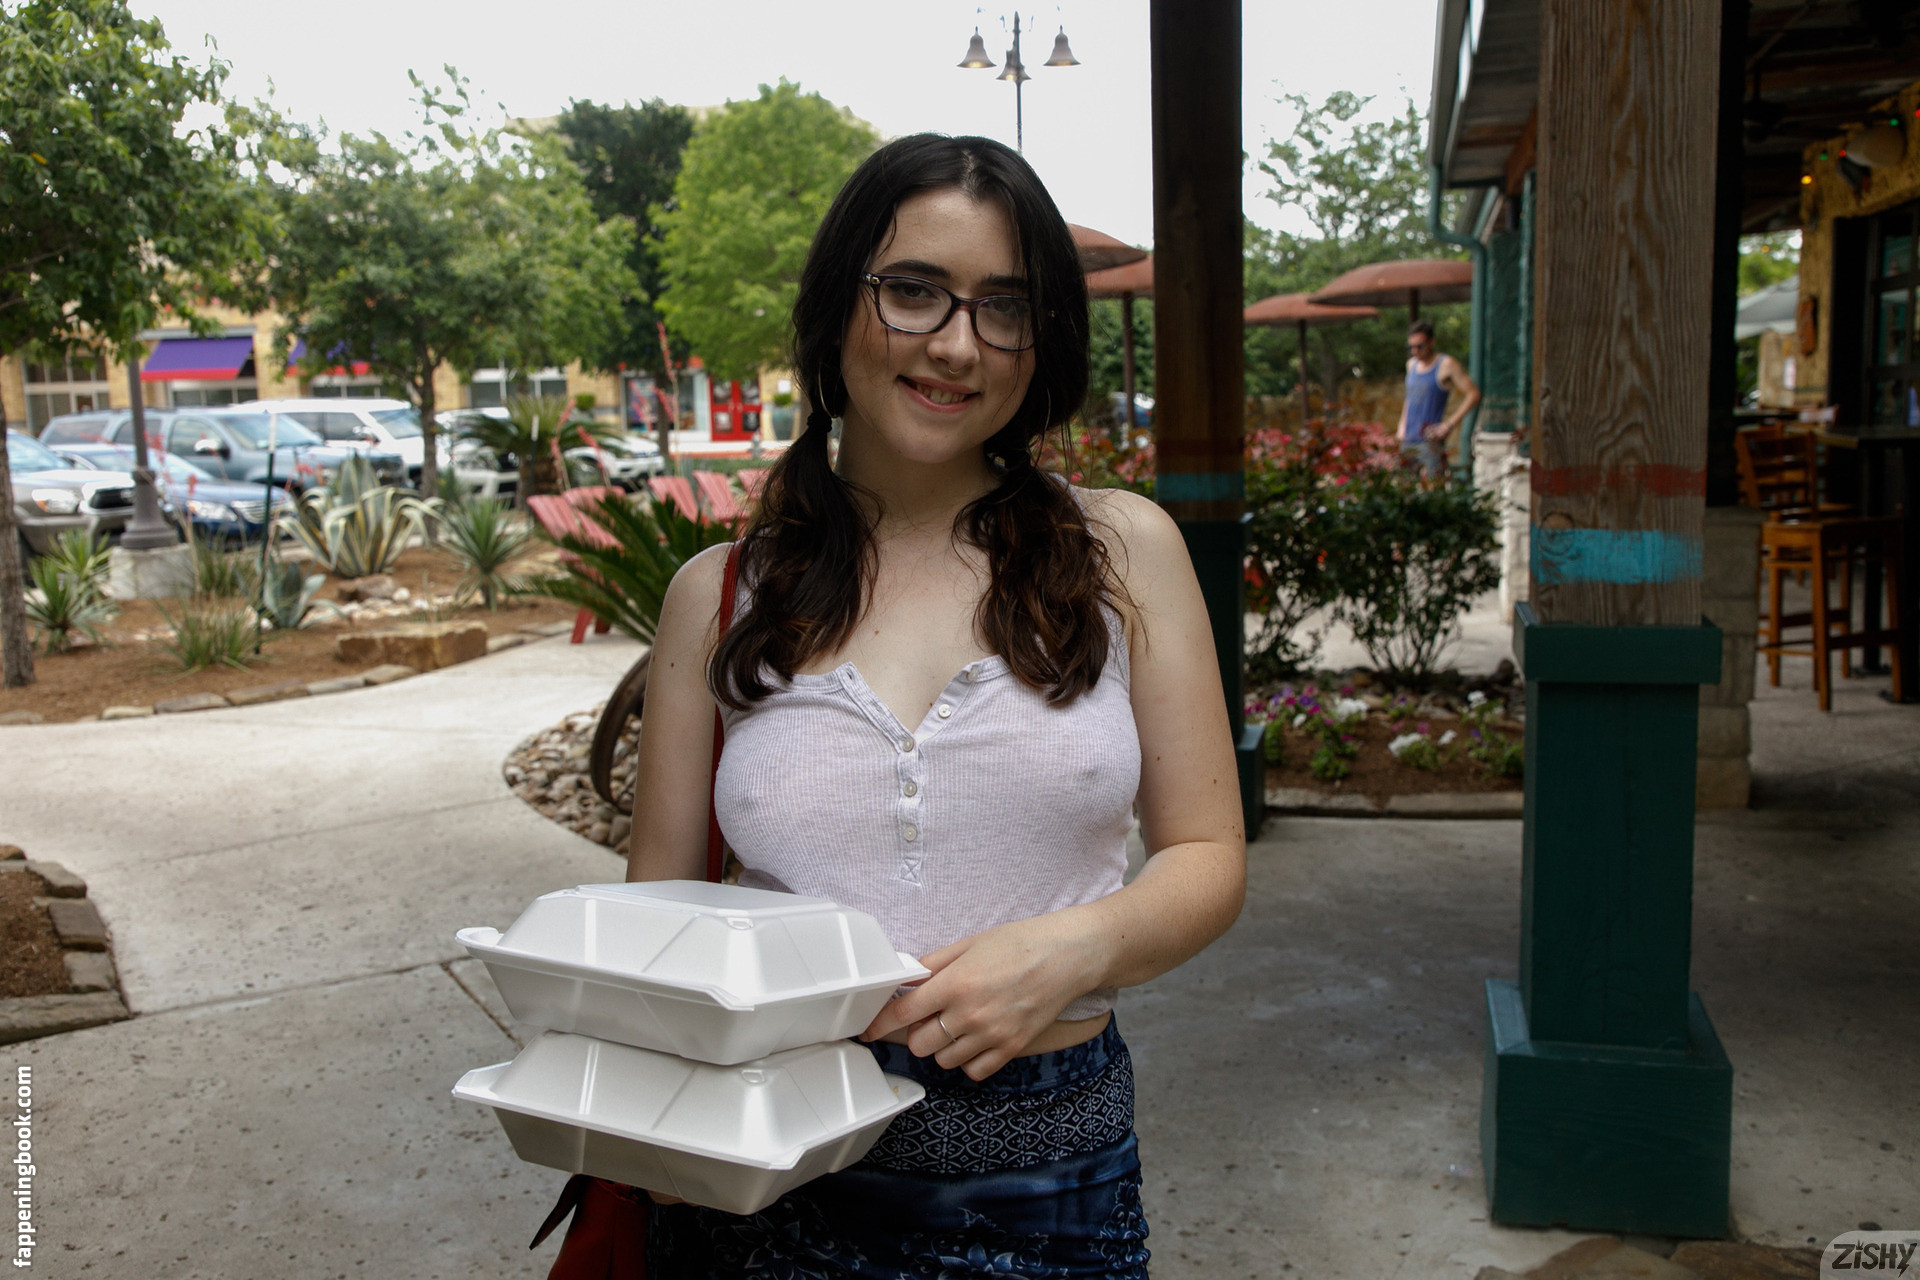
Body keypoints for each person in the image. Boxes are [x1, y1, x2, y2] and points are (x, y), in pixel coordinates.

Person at [626, 133, 1246, 1278]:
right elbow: (654, 921)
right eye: (913, 290)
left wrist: (1073, 947)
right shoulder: (717, 594)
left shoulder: (1123, 551)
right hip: (761, 1176)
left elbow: (1209, 854)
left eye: (1003, 307)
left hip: (1047, 1179)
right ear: (837, 306)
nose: (958, 344)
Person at [1398, 318, 1479, 477]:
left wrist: (1449, 424)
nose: (1415, 351)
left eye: (1419, 346)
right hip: (1408, 440)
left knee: (1433, 487)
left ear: (1431, 342)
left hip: (1430, 442)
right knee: (1404, 487)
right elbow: (1410, 398)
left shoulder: (1446, 364)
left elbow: (1473, 394)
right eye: (1411, 347)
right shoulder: (1411, 365)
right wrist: (1401, 427)